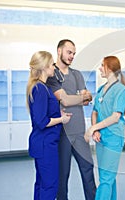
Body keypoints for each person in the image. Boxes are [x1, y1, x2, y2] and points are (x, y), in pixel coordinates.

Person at [46, 39, 96, 200]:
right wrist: (79, 97)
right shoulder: (51, 74)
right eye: (69, 52)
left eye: (74, 53)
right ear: (59, 51)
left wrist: (79, 97)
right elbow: (65, 100)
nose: (72, 56)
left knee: (88, 169)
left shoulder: (76, 74)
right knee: (63, 175)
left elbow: (88, 97)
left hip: (80, 132)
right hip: (63, 133)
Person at [26, 51, 72, 200]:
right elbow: (41, 122)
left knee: (41, 183)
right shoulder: (40, 89)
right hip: (45, 145)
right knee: (50, 185)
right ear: (45, 67)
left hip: (43, 143)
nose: (54, 67)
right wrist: (62, 119)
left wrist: (58, 113)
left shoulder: (41, 87)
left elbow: (43, 114)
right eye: (52, 64)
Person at [84, 56, 125, 200]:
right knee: (108, 177)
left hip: (113, 138)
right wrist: (95, 129)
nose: (100, 68)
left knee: (105, 179)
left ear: (110, 68)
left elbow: (115, 117)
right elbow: (95, 111)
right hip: (101, 138)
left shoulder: (121, 90)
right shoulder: (101, 89)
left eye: (102, 65)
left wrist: (92, 129)